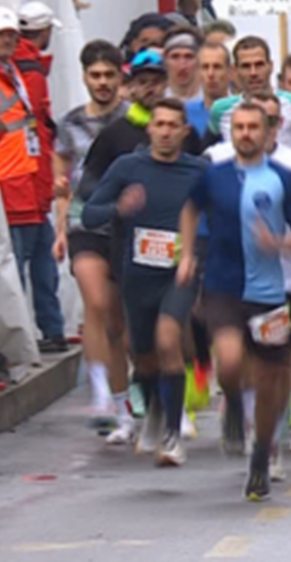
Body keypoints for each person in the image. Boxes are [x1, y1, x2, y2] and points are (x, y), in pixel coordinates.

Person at [176, 100, 291, 501]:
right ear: (230, 132)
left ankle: (261, 456)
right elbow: (189, 210)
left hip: (272, 292)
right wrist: (187, 255)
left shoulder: (284, 179)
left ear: (269, 131)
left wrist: (282, 243)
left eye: (254, 127)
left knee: (273, 379)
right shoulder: (214, 176)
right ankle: (234, 404)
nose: (246, 134)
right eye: (239, 127)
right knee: (232, 359)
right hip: (223, 285)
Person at [80, 97, 207, 466]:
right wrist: (119, 208)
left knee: (169, 340)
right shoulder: (127, 167)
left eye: (173, 125)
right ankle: (152, 409)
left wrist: (197, 257)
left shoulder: (199, 171)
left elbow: (220, 218)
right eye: (159, 124)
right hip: (136, 275)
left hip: (179, 273)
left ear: (185, 131)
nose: (166, 132)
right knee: (144, 356)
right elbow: (89, 214)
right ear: (149, 128)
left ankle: (172, 434)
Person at [0, 7, 65, 354]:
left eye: (12, 34)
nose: (8, 40)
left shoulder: (14, 71)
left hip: (28, 183)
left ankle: (48, 331)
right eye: (1, 34)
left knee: (43, 267)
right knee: (12, 268)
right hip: (7, 184)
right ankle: (17, 341)